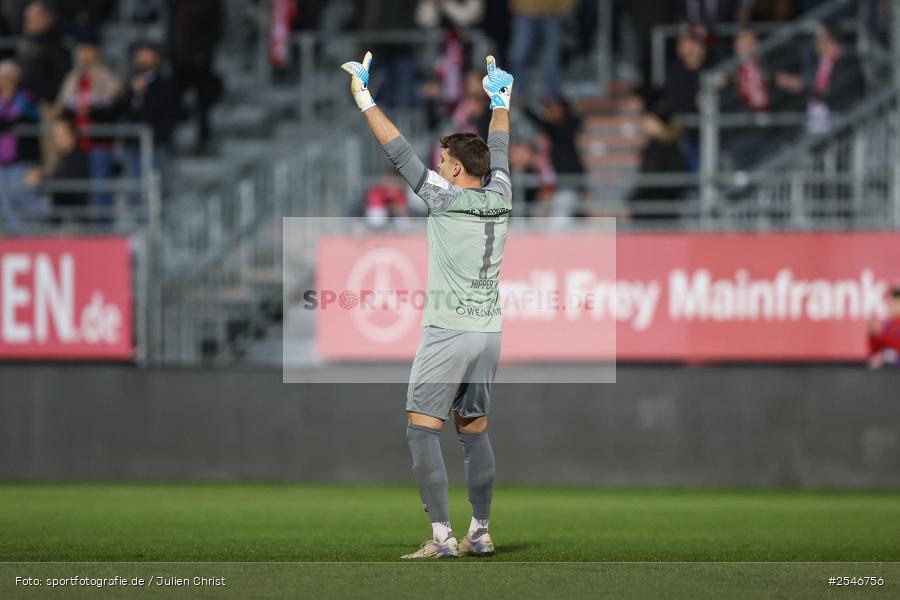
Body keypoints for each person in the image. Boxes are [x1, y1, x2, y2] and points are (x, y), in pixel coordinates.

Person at [341, 51, 513, 559]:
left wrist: (365, 99)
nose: (438, 167)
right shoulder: (503, 193)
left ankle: (441, 538)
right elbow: (499, 146)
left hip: (448, 330)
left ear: (457, 169)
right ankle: (479, 532)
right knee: (474, 431)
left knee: (421, 430)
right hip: (489, 334)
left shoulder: (444, 196)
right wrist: (501, 101)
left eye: (444, 162)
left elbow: (398, 152)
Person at [56, 28, 123, 223]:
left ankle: (103, 229)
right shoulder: (73, 77)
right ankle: (82, 226)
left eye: (88, 49)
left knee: (100, 187)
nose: (84, 54)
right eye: (81, 49)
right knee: (79, 187)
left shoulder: (106, 76)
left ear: (96, 51)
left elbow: (115, 105)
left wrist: (90, 111)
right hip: (76, 144)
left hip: (99, 142)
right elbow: (62, 106)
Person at [775, 22, 864, 135]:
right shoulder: (820, 62)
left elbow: (837, 92)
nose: (816, 42)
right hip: (816, 119)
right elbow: (815, 87)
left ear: (831, 39)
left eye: (820, 38)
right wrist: (795, 84)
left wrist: (803, 85)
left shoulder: (846, 60)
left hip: (838, 120)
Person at [120, 41, 177, 207]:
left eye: (147, 54)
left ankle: (160, 225)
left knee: (157, 186)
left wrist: (145, 94)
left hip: (156, 143)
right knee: (135, 187)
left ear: (156, 57)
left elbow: (167, 112)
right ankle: (140, 224)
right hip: (133, 143)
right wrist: (132, 93)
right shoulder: (130, 84)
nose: (142, 58)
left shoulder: (165, 84)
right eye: (140, 54)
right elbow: (121, 109)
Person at [15, 0, 70, 169]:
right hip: (24, 102)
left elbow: (59, 80)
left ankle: (50, 178)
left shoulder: (58, 44)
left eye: (33, 16)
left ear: (47, 18)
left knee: (49, 147)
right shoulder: (25, 43)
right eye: (27, 16)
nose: (28, 20)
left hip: (47, 104)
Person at [167, 0, 224, 154]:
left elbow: (216, 30)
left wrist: (203, 53)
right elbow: (172, 29)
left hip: (200, 61)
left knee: (203, 102)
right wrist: (171, 54)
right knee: (173, 100)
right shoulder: (176, 4)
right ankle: (169, 138)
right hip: (178, 60)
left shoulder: (210, 3)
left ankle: (204, 138)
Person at [0, 59, 43, 232]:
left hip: (22, 160)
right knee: (6, 201)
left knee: (24, 197)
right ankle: (17, 238)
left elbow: (29, 116)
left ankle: (32, 235)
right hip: (3, 162)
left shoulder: (26, 97)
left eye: (6, 77)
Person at [25, 118, 90, 224]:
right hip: (60, 218)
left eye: (60, 135)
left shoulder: (79, 157)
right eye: (55, 136)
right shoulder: (63, 157)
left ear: (72, 136)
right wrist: (42, 174)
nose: (56, 140)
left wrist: (40, 181)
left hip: (72, 221)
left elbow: (65, 184)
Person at [507, 0, 575, 99]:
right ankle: (517, 95)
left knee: (552, 58)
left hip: (554, 13)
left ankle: (551, 97)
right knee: (519, 55)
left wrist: (565, 7)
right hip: (525, 10)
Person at [867, 283, 900, 369]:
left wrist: (881, 335)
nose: (895, 303)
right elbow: (873, 351)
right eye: (893, 299)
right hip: (887, 372)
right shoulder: (887, 324)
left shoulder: (884, 329)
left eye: (898, 299)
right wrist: (872, 334)